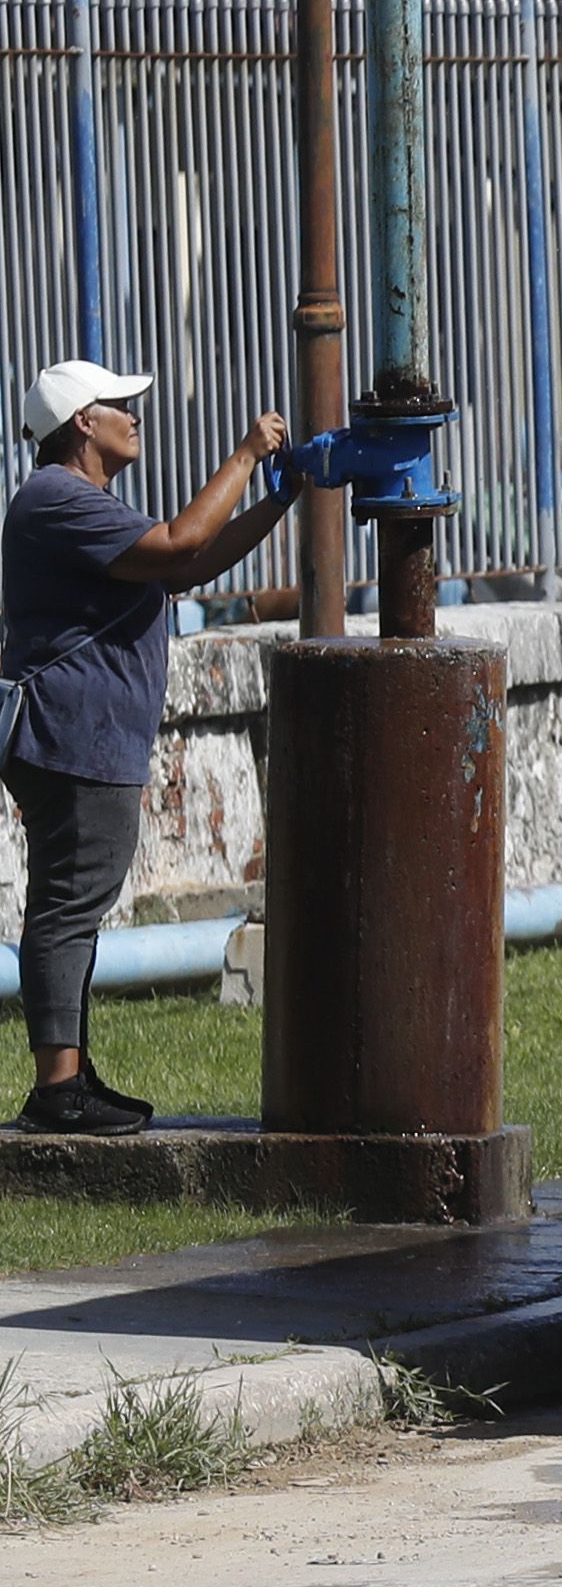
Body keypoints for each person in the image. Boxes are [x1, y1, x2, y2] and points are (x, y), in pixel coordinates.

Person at [6, 361, 285, 1136]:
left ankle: (70, 1073)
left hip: (88, 736)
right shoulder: (57, 498)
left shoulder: (83, 503)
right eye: (120, 404)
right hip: (69, 734)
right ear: (81, 422)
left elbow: (187, 565)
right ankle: (57, 1090)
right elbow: (181, 540)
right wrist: (246, 454)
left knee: (77, 903)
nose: (136, 415)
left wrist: (280, 500)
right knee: (67, 904)